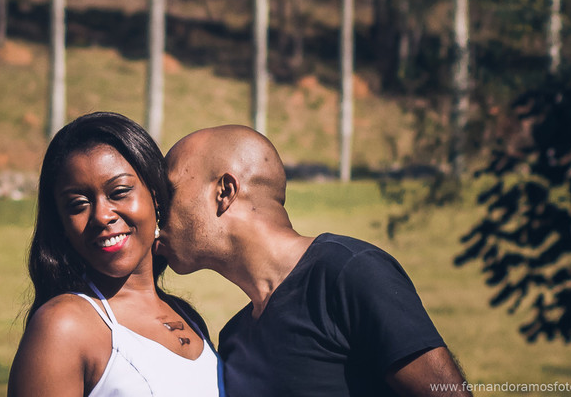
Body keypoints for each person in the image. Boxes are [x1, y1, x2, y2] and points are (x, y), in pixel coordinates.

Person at [161, 124, 468, 397]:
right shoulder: (234, 339)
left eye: (167, 192)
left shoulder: (349, 271)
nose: (156, 212)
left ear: (224, 191)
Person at [8, 112, 223, 397]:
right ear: (61, 224)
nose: (101, 215)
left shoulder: (187, 316)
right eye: (78, 204)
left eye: (119, 192)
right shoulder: (63, 326)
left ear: (156, 198)